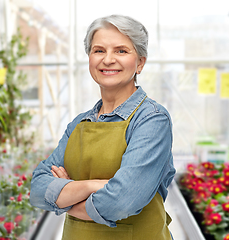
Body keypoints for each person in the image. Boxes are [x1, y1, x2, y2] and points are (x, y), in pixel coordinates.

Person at [30, 14, 176, 240]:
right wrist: (92, 186)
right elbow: (39, 189)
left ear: (140, 63)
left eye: (121, 51)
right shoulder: (79, 124)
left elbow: (121, 201)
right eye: (99, 50)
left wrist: (66, 198)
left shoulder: (151, 119)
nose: (108, 60)